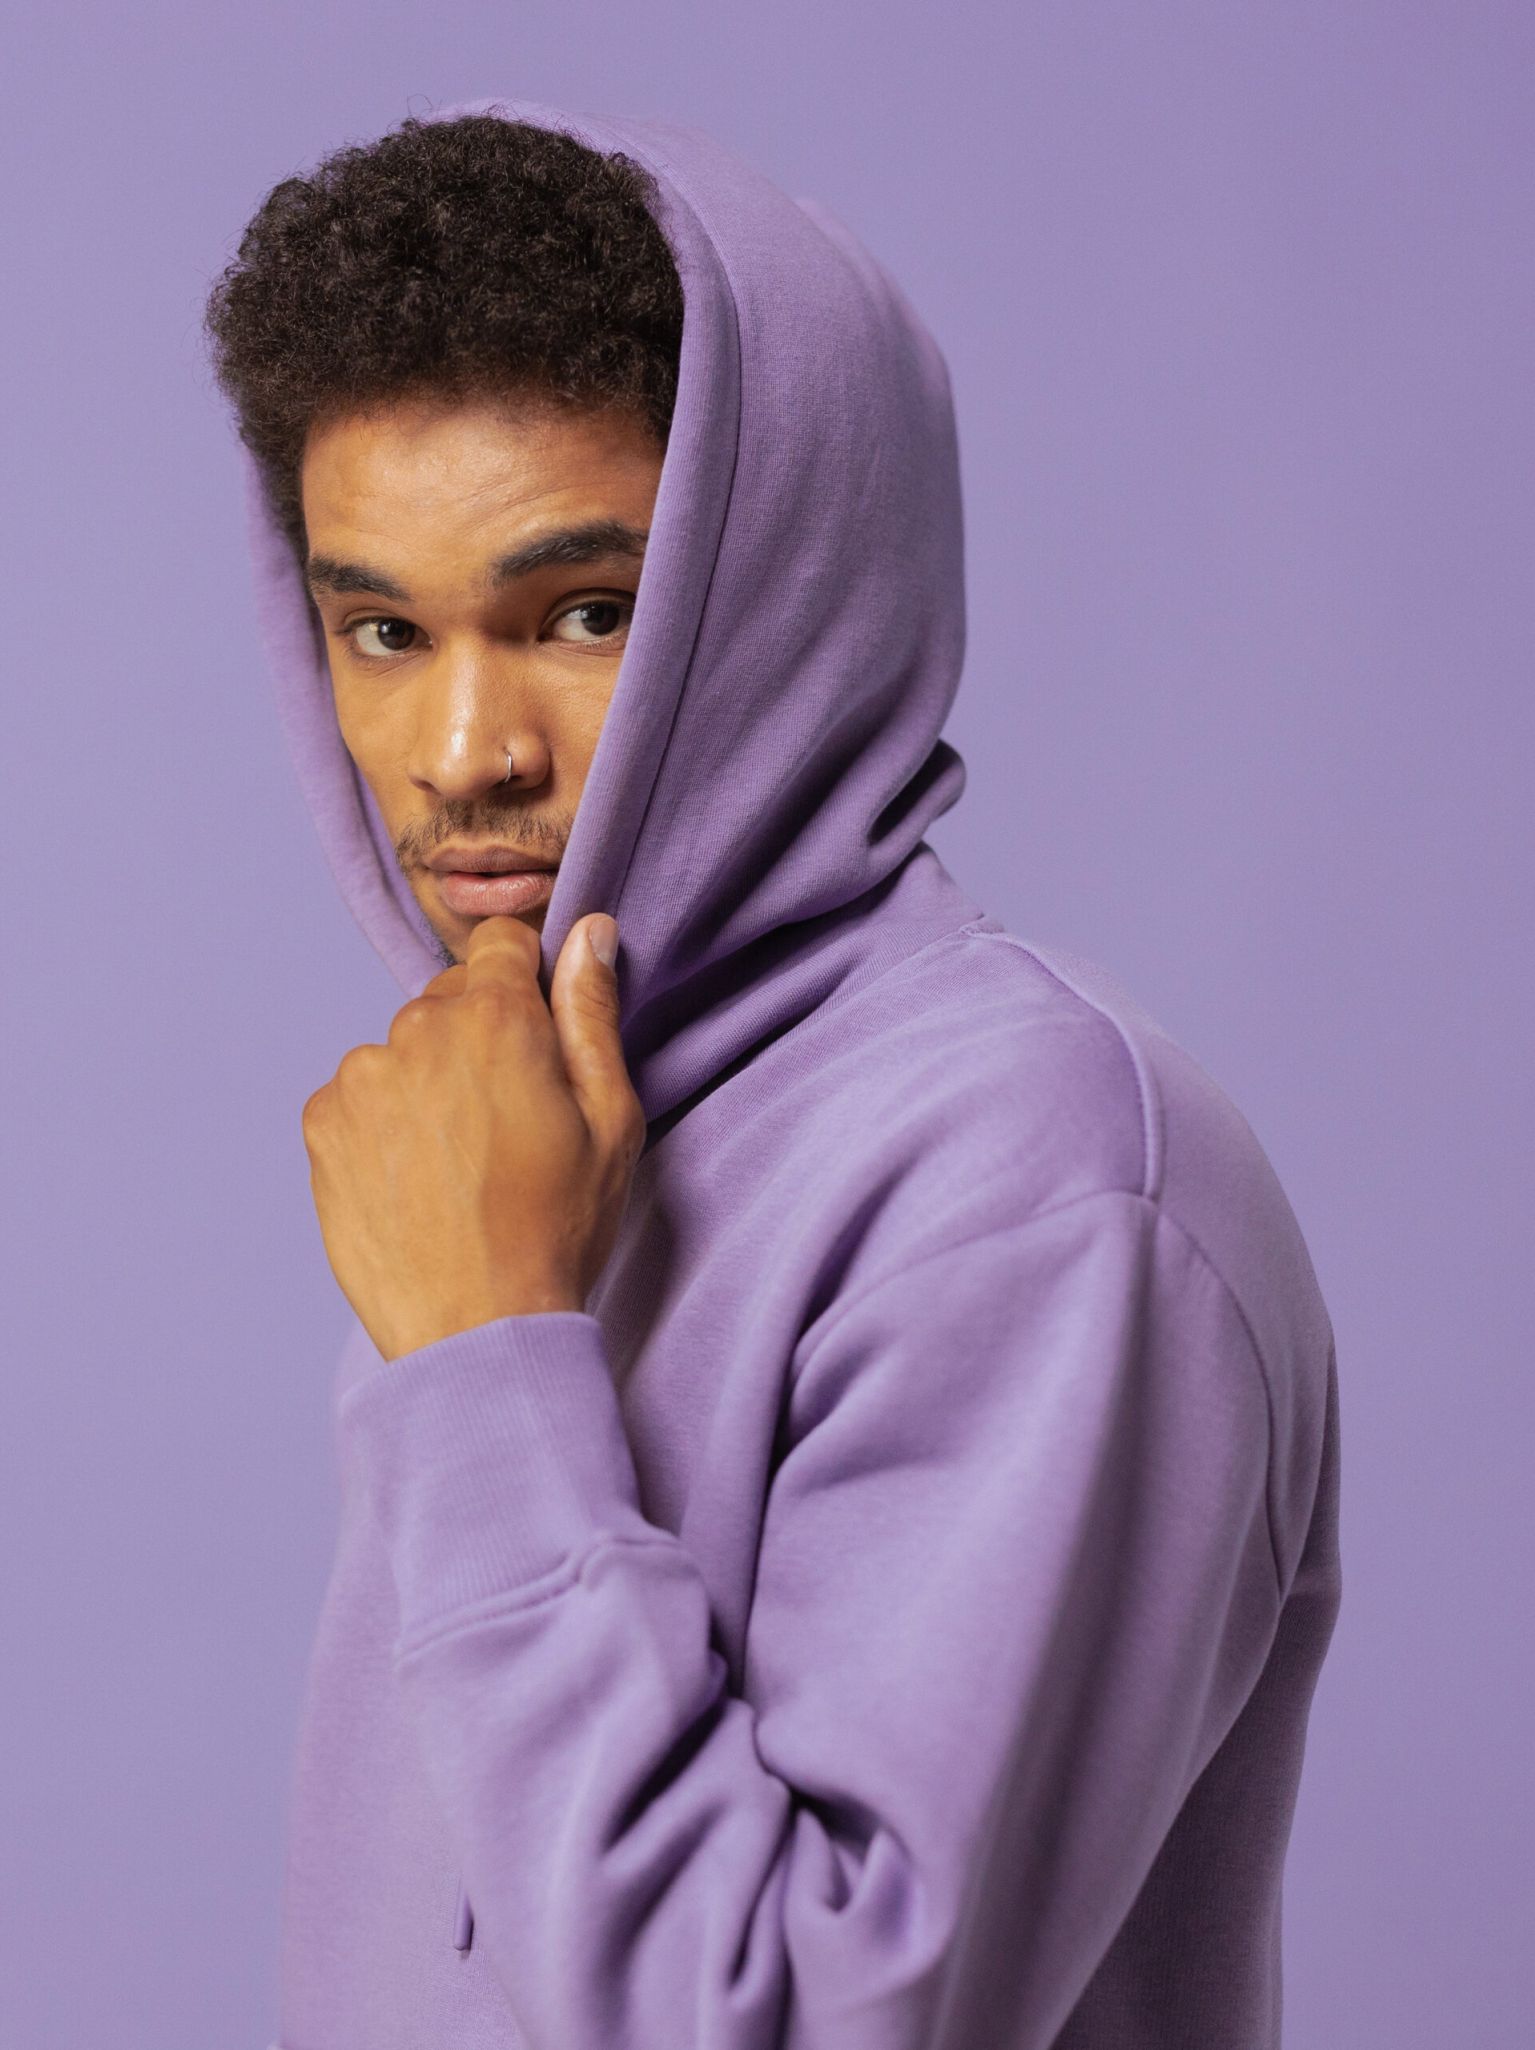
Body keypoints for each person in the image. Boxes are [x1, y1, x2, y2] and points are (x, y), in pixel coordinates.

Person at [204, 97, 1342, 2050]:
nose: (460, 751)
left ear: (789, 597)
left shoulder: (1046, 1182)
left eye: (583, 613)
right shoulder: (518, 1138)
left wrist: (483, 1363)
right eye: (380, 628)